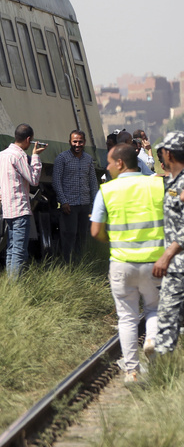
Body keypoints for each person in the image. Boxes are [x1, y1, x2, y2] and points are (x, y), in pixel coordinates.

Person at [90, 143, 165, 384]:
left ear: (120, 163)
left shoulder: (106, 191)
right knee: (154, 308)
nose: (108, 167)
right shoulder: (157, 185)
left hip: (122, 263)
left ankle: (132, 371)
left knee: (127, 318)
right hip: (155, 262)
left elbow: (96, 231)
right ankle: (152, 338)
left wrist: (110, 240)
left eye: (110, 162)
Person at [0, 124, 44, 277]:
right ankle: (16, 286)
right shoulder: (18, 156)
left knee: (12, 249)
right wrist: (36, 157)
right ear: (29, 139)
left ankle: (11, 284)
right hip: (20, 209)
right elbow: (34, 180)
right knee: (19, 251)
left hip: (7, 210)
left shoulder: (1, 155)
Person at [152, 132, 184, 355]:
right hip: (177, 264)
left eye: (162, 150)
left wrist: (167, 255)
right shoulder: (174, 181)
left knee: (167, 316)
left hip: (178, 263)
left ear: (169, 153)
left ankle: (160, 372)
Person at [52, 130, 99, 262]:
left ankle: (80, 263)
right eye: (75, 141)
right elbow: (56, 181)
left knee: (82, 235)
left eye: (80, 142)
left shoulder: (88, 159)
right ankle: (67, 263)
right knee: (69, 235)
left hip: (84, 204)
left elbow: (93, 182)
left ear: (84, 142)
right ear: (70, 142)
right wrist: (64, 201)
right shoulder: (62, 158)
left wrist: (94, 203)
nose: (77, 144)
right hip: (69, 205)